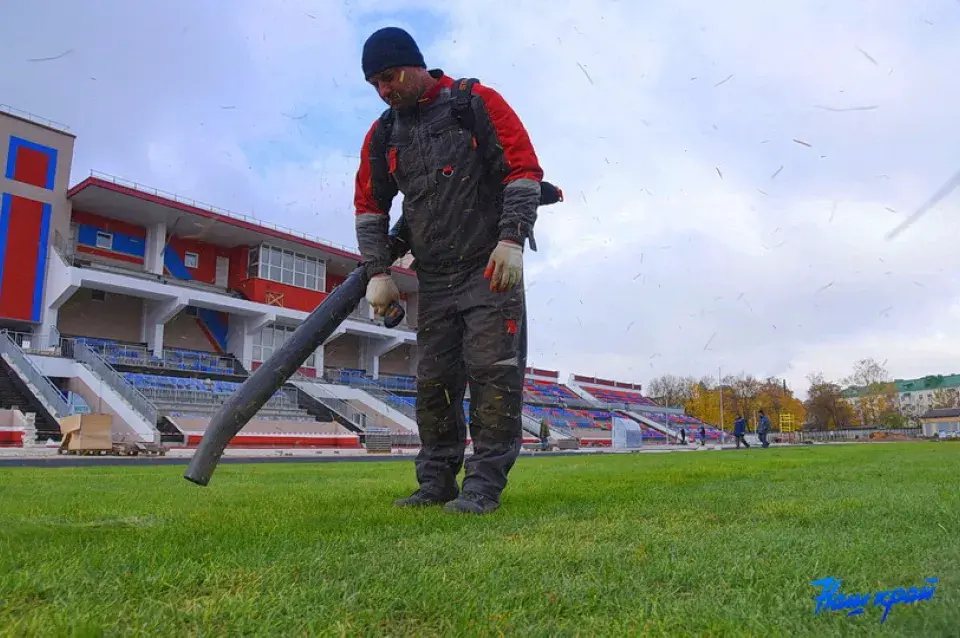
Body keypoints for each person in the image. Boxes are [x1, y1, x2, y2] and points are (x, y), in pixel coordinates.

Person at [353, 27, 544, 515]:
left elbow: (522, 169)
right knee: (433, 383)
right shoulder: (382, 134)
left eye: (390, 76)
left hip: (489, 269)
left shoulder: (473, 102)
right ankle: (436, 482)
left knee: (493, 376)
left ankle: (483, 487)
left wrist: (511, 240)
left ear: (416, 65)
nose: (384, 90)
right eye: (374, 83)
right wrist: (379, 271)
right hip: (434, 278)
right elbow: (370, 206)